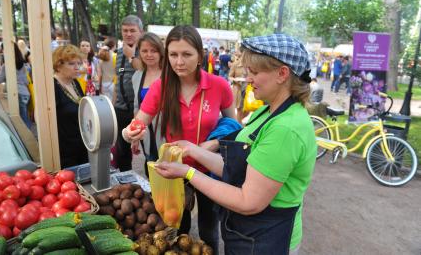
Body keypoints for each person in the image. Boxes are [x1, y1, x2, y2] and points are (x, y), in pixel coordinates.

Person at [153, 33, 317, 255]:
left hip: (266, 240)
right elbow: (238, 168)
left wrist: (188, 172)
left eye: (255, 72)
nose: (248, 79)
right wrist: (193, 150)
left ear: (282, 74)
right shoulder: (266, 111)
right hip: (248, 234)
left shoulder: (285, 129)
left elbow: (248, 201)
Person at [123, 25, 235, 254]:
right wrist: (129, 133)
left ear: (200, 56)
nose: (179, 62)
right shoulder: (161, 87)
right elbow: (137, 123)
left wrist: (210, 145)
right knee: (175, 230)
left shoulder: (219, 86)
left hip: (209, 169)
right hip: (175, 170)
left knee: (209, 229)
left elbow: (235, 129)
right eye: (173, 54)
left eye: (186, 54)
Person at [131, 32, 165, 175]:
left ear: (160, 51)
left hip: (166, 133)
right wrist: (135, 136)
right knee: (150, 166)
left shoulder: (170, 74)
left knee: (168, 169)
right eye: (144, 51)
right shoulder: (137, 76)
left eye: (153, 50)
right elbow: (136, 107)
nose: (149, 54)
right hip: (147, 135)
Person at [114, 15, 144, 171]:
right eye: (125, 30)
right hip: (121, 109)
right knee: (122, 149)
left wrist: (131, 55)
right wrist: (113, 105)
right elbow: (118, 78)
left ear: (141, 32)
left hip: (141, 110)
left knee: (145, 148)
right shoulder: (119, 53)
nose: (128, 34)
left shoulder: (145, 51)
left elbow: (143, 71)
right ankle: (126, 179)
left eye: (132, 30)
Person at [52, 45, 87, 168]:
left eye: (79, 63)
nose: (77, 67)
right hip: (64, 150)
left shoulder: (74, 82)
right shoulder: (52, 86)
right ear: (58, 65)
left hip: (81, 144)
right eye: (72, 64)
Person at [228, 47, 248, 124]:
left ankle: (237, 121)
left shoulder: (250, 65)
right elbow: (230, 77)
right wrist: (236, 79)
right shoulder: (235, 64)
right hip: (238, 89)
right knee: (239, 109)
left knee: (248, 109)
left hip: (248, 89)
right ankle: (238, 126)